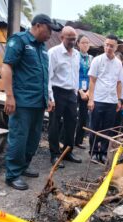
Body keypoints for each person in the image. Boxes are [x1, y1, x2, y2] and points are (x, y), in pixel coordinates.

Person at [2, 14, 61, 190]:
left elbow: (44, 76)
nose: (51, 34)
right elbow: (7, 66)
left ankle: (23, 166)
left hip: (38, 102)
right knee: (19, 138)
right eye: (49, 29)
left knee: (33, 139)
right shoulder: (19, 40)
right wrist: (9, 96)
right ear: (38, 25)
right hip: (22, 102)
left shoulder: (43, 48)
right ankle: (12, 175)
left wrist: (48, 98)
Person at [48, 26, 82, 167]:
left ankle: (67, 151)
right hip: (57, 91)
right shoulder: (53, 53)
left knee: (71, 123)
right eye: (70, 39)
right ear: (62, 38)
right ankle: (54, 154)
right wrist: (51, 97)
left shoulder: (77, 54)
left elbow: (76, 74)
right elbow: (48, 76)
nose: (73, 41)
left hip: (71, 93)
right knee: (54, 124)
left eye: (74, 39)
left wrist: (75, 91)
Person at [87, 34, 123, 163]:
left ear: (116, 47)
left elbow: (119, 83)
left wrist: (119, 100)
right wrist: (91, 99)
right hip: (98, 100)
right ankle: (93, 152)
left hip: (111, 101)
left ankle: (102, 152)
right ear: (104, 45)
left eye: (111, 46)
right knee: (94, 127)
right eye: (107, 45)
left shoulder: (119, 63)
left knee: (108, 129)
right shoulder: (97, 60)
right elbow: (92, 81)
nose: (108, 48)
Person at [74, 34, 93, 149]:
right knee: (71, 115)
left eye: (87, 43)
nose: (85, 45)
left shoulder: (91, 58)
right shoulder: (75, 56)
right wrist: (80, 90)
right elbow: (73, 74)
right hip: (75, 88)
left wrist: (89, 91)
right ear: (78, 44)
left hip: (87, 90)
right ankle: (65, 140)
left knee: (83, 116)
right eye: (83, 42)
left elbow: (93, 76)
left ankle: (79, 140)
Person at [113, 52, 123, 129]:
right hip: (109, 98)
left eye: (118, 60)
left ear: (122, 61)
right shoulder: (109, 71)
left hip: (119, 99)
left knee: (117, 120)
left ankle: (114, 139)